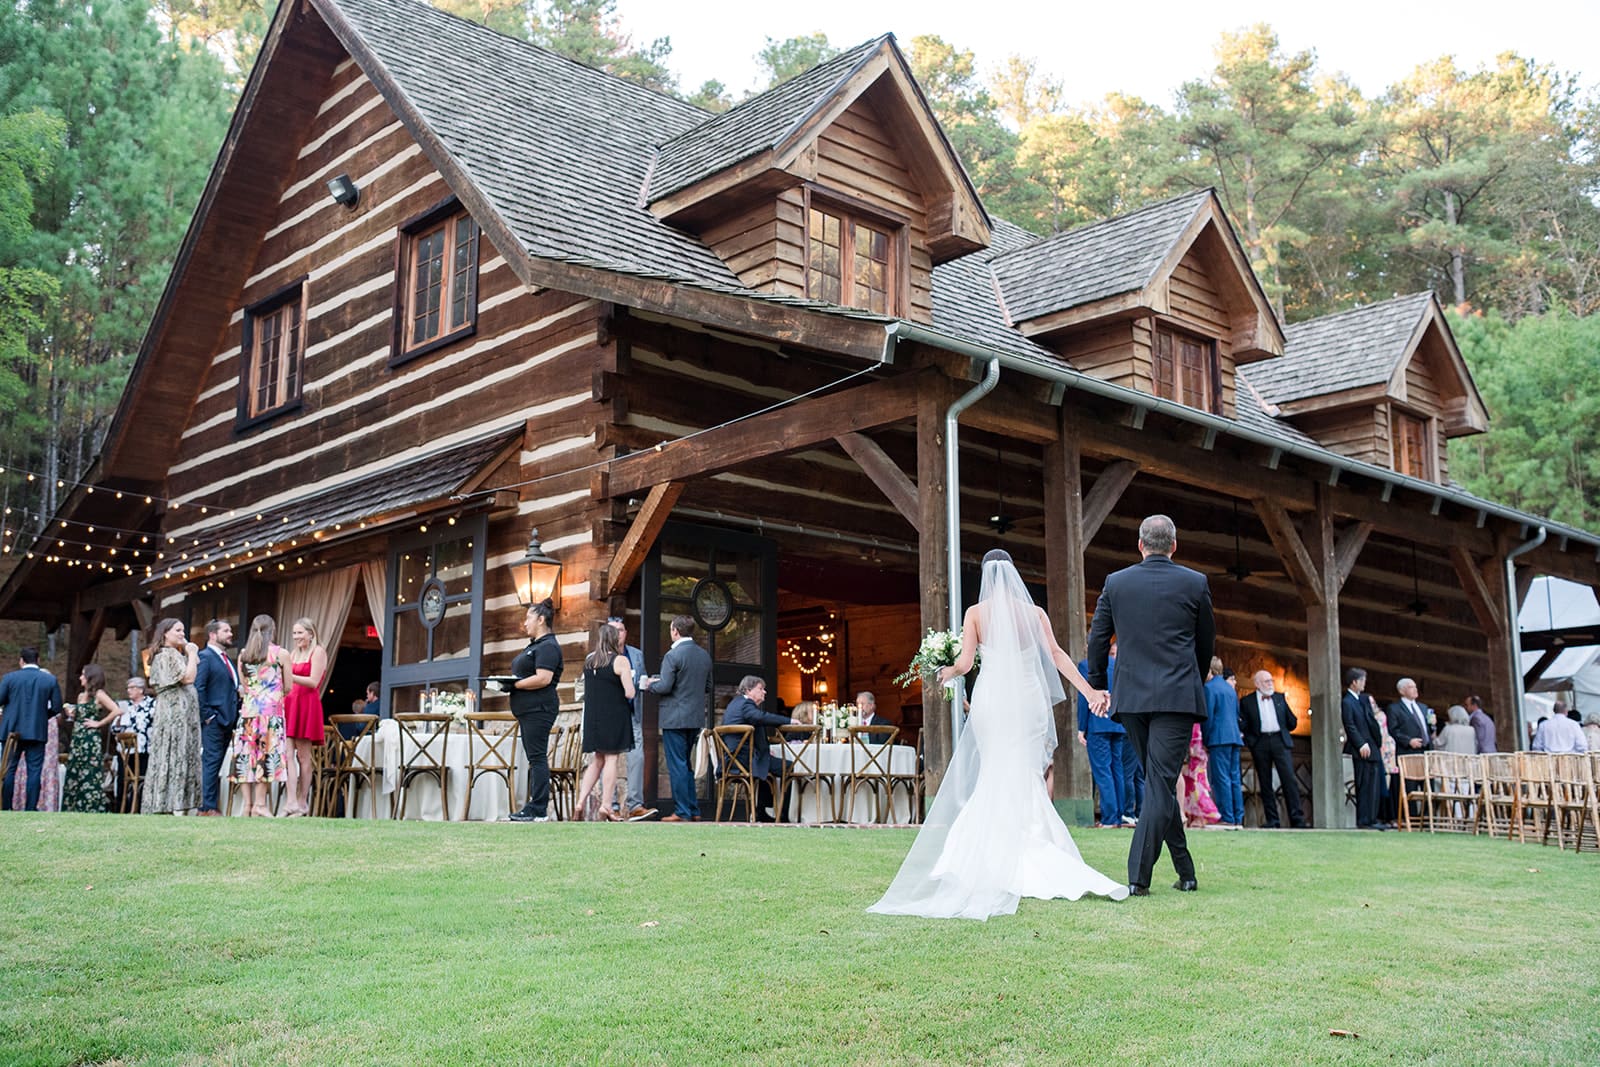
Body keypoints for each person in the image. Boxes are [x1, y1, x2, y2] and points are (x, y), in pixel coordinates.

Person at [870, 549, 1125, 919]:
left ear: (987, 575)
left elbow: (965, 662)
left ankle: (986, 853)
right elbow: (1056, 656)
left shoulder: (976, 613)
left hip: (992, 700)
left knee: (995, 771)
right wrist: (1089, 693)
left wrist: (945, 672)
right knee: (1027, 772)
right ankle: (1033, 845)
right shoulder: (1034, 613)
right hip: (1027, 699)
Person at [1087, 515, 1214, 895]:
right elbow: (1205, 642)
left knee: (1157, 781)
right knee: (1160, 782)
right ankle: (1144, 877)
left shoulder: (1117, 583)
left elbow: (1097, 639)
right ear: (1174, 545)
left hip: (1132, 697)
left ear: (1140, 545)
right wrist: (1195, 677)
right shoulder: (1195, 582)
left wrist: (1099, 685)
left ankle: (1175, 873)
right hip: (1177, 696)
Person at [642, 615, 713, 823]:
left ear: (675, 631)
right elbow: (707, 687)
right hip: (695, 717)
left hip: (674, 717)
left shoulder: (672, 656)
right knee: (686, 765)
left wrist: (649, 685)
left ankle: (682, 812)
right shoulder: (704, 655)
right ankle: (693, 809)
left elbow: (665, 686)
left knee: (677, 765)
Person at [574, 622, 637, 821]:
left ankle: (580, 802)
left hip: (593, 717)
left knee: (597, 760)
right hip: (614, 716)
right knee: (611, 759)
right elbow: (630, 692)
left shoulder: (590, 662)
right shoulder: (620, 661)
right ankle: (607, 805)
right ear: (613, 639)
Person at [508, 599, 563, 822]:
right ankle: (535, 806)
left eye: (528, 617)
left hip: (539, 708)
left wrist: (513, 685)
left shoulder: (548, 646)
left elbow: (544, 678)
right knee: (534, 757)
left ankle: (538, 808)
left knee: (538, 758)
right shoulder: (535, 646)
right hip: (528, 710)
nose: (525, 623)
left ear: (541, 619)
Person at [142, 618, 202, 814]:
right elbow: (188, 677)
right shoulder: (164, 656)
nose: (182, 633)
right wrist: (191, 652)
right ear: (165, 633)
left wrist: (187, 650)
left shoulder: (176, 654)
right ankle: (169, 803)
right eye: (178, 630)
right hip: (173, 714)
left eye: (183, 630)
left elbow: (195, 664)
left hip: (186, 716)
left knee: (185, 754)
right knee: (174, 754)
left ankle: (183, 803)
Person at [234, 614, 291, 818]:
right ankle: (260, 804)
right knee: (265, 755)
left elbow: (244, 685)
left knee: (247, 756)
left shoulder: (244, 655)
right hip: (271, 712)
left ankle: (247, 805)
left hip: (249, 711)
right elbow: (289, 686)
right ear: (273, 630)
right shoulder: (280, 654)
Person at [1239, 670, 1308, 829]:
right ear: (1257, 684)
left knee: (1289, 779)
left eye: (1271, 680)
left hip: (1279, 741)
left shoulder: (1279, 698)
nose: (1270, 683)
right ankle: (1272, 820)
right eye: (1266, 681)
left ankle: (1297, 819)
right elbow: (1244, 725)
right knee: (1265, 781)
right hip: (1260, 742)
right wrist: (1251, 742)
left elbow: (1292, 722)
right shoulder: (1247, 702)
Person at [722, 675, 795, 822]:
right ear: (748, 690)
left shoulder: (735, 704)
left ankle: (761, 811)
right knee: (789, 767)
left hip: (733, 759)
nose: (765, 692)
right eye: (761, 689)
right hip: (744, 760)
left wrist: (764, 750)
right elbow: (759, 717)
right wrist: (790, 721)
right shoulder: (746, 704)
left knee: (766, 762)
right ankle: (783, 815)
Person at [0, 647, 64, 812]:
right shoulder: (49, 680)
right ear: (38, 660)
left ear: (21, 660)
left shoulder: (9, 678)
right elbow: (57, 707)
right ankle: (30, 807)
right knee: (34, 771)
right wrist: (43, 716)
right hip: (37, 731)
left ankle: (6, 806)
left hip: (11, 732)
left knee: (9, 769)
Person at [606, 616, 654, 821]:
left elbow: (640, 681)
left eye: (622, 630)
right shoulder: (597, 656)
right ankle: (611, 806)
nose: (619, 634)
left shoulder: (636, 655)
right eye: (614, 630)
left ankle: (635, 805)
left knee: (637, 758)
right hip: (608, 716)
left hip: (631, 713)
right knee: (609, 761)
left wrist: (646, 683)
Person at [1077, 641, 1127, 829]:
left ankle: (1109, 818)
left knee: (1103, 771)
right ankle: (1119, 815)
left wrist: (1082, 727)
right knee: (1117, 770)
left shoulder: (1086, 665)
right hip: (1117, 722)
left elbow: (1084, 697)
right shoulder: (1116, 664)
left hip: (1097, 723)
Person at [195, 619, 242, 817]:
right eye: (226, 630)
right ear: (213, 635)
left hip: (227, 720)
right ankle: (207, 807)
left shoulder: (227, 660)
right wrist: (208, 716)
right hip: (214, 720)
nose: (230, 633)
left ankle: (209, 805)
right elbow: (199, 688)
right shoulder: (205, 657)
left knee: (216, 762)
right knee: (211, 762)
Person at [280, 618, 327, 817]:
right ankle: (290, 801)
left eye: (300, 633)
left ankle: (303, 801)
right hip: (290, 704)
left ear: (310, 633)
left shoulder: (318, 652)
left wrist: (289, 674)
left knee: (304, 757)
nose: (296, 637)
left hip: (307, 705)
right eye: (294, 633)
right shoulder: (293, 654)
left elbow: (314, 681)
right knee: (287, 755)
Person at [61, 663, 122, 813]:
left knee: (90, 771)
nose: (81, 677)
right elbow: (79, 715)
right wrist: (72, 713)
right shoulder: (81, 696)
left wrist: (99, 723)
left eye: (83, 674)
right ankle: (73, 807)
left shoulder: (99, 694)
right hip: (78, 738)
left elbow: (116, 710)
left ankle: (91, 806)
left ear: (90, 677)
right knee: (75, 769)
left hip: (90, 738)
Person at [1341, 667, 1385, 830]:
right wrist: (1360, 743)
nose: (1364, 683)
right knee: (1364, 783)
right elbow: (1350, 725)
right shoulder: (1347, 702)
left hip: (1372, 745)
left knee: (1374, 783)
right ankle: (1364, 819)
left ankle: (1372, 818)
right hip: (1360, 747)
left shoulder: (1364, 699)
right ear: (1354, 682)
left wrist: (1376, 741)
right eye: (1362, 680)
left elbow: (1371, 722)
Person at [1202, 660, 1244, 830]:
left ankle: (1227, 816)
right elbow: (1236, 713)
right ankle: (1237, 816)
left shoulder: (1209, 688)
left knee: (1221, 778)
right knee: (1234, 778)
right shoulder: (1230, 688)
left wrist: (1205, 739)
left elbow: (1208, 717)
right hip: (1234, 736)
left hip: (1219, 738)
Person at [115, 677, 154, 812]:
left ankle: (139, 808)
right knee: (122, 780)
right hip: (125, 751)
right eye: (128, 688)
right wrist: (119, 718)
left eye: (132, 688)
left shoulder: (151, 705)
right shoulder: (125, 706)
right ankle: (121, 808)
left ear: (141, 690)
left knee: (142, 781)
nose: (128, 691)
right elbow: (114, 729)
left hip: (144, 749)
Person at [1373, 694, 1401, 829]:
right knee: (1381, 784)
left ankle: (1389, 816)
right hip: (1380, 749)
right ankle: (1382, 815)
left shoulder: (1381, 715)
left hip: (1387, 750)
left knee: (1387, 784)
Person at [1387, 678, 1434, 755]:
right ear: (1401, 691)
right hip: (1408, 751)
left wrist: (1432, 724)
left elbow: (1429, 729)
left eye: (1415, 687)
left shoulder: (1423, 707)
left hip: (1427, 750)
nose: (1415, 689)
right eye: (1411, 687)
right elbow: (1393, 730)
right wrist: (1408, 741)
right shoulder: (1394, 708)